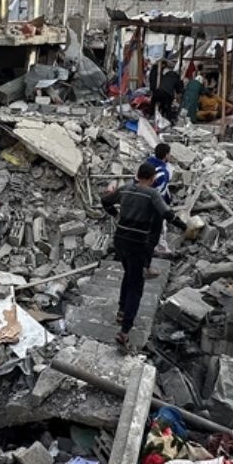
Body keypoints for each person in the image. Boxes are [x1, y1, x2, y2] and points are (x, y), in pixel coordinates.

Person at [101, 162, 187, 347]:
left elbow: (105, 201)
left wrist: (116, 215)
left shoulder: (125, 189)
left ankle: (122, 310)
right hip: (137, 245)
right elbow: (167, 214)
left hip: (120, 241)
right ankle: (125, 330)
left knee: (129, 274)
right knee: (136, 285)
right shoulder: (152, 194)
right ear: (152, 179)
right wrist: (184, 227)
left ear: (137, 175)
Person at [143, 143, 173, 278]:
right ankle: (149, 262)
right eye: (169, 153)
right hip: (154, 207)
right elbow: (159, 192)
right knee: (156, 232)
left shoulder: (147, 164)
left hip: (141, 203)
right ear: (166, 155)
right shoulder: (163, 171)